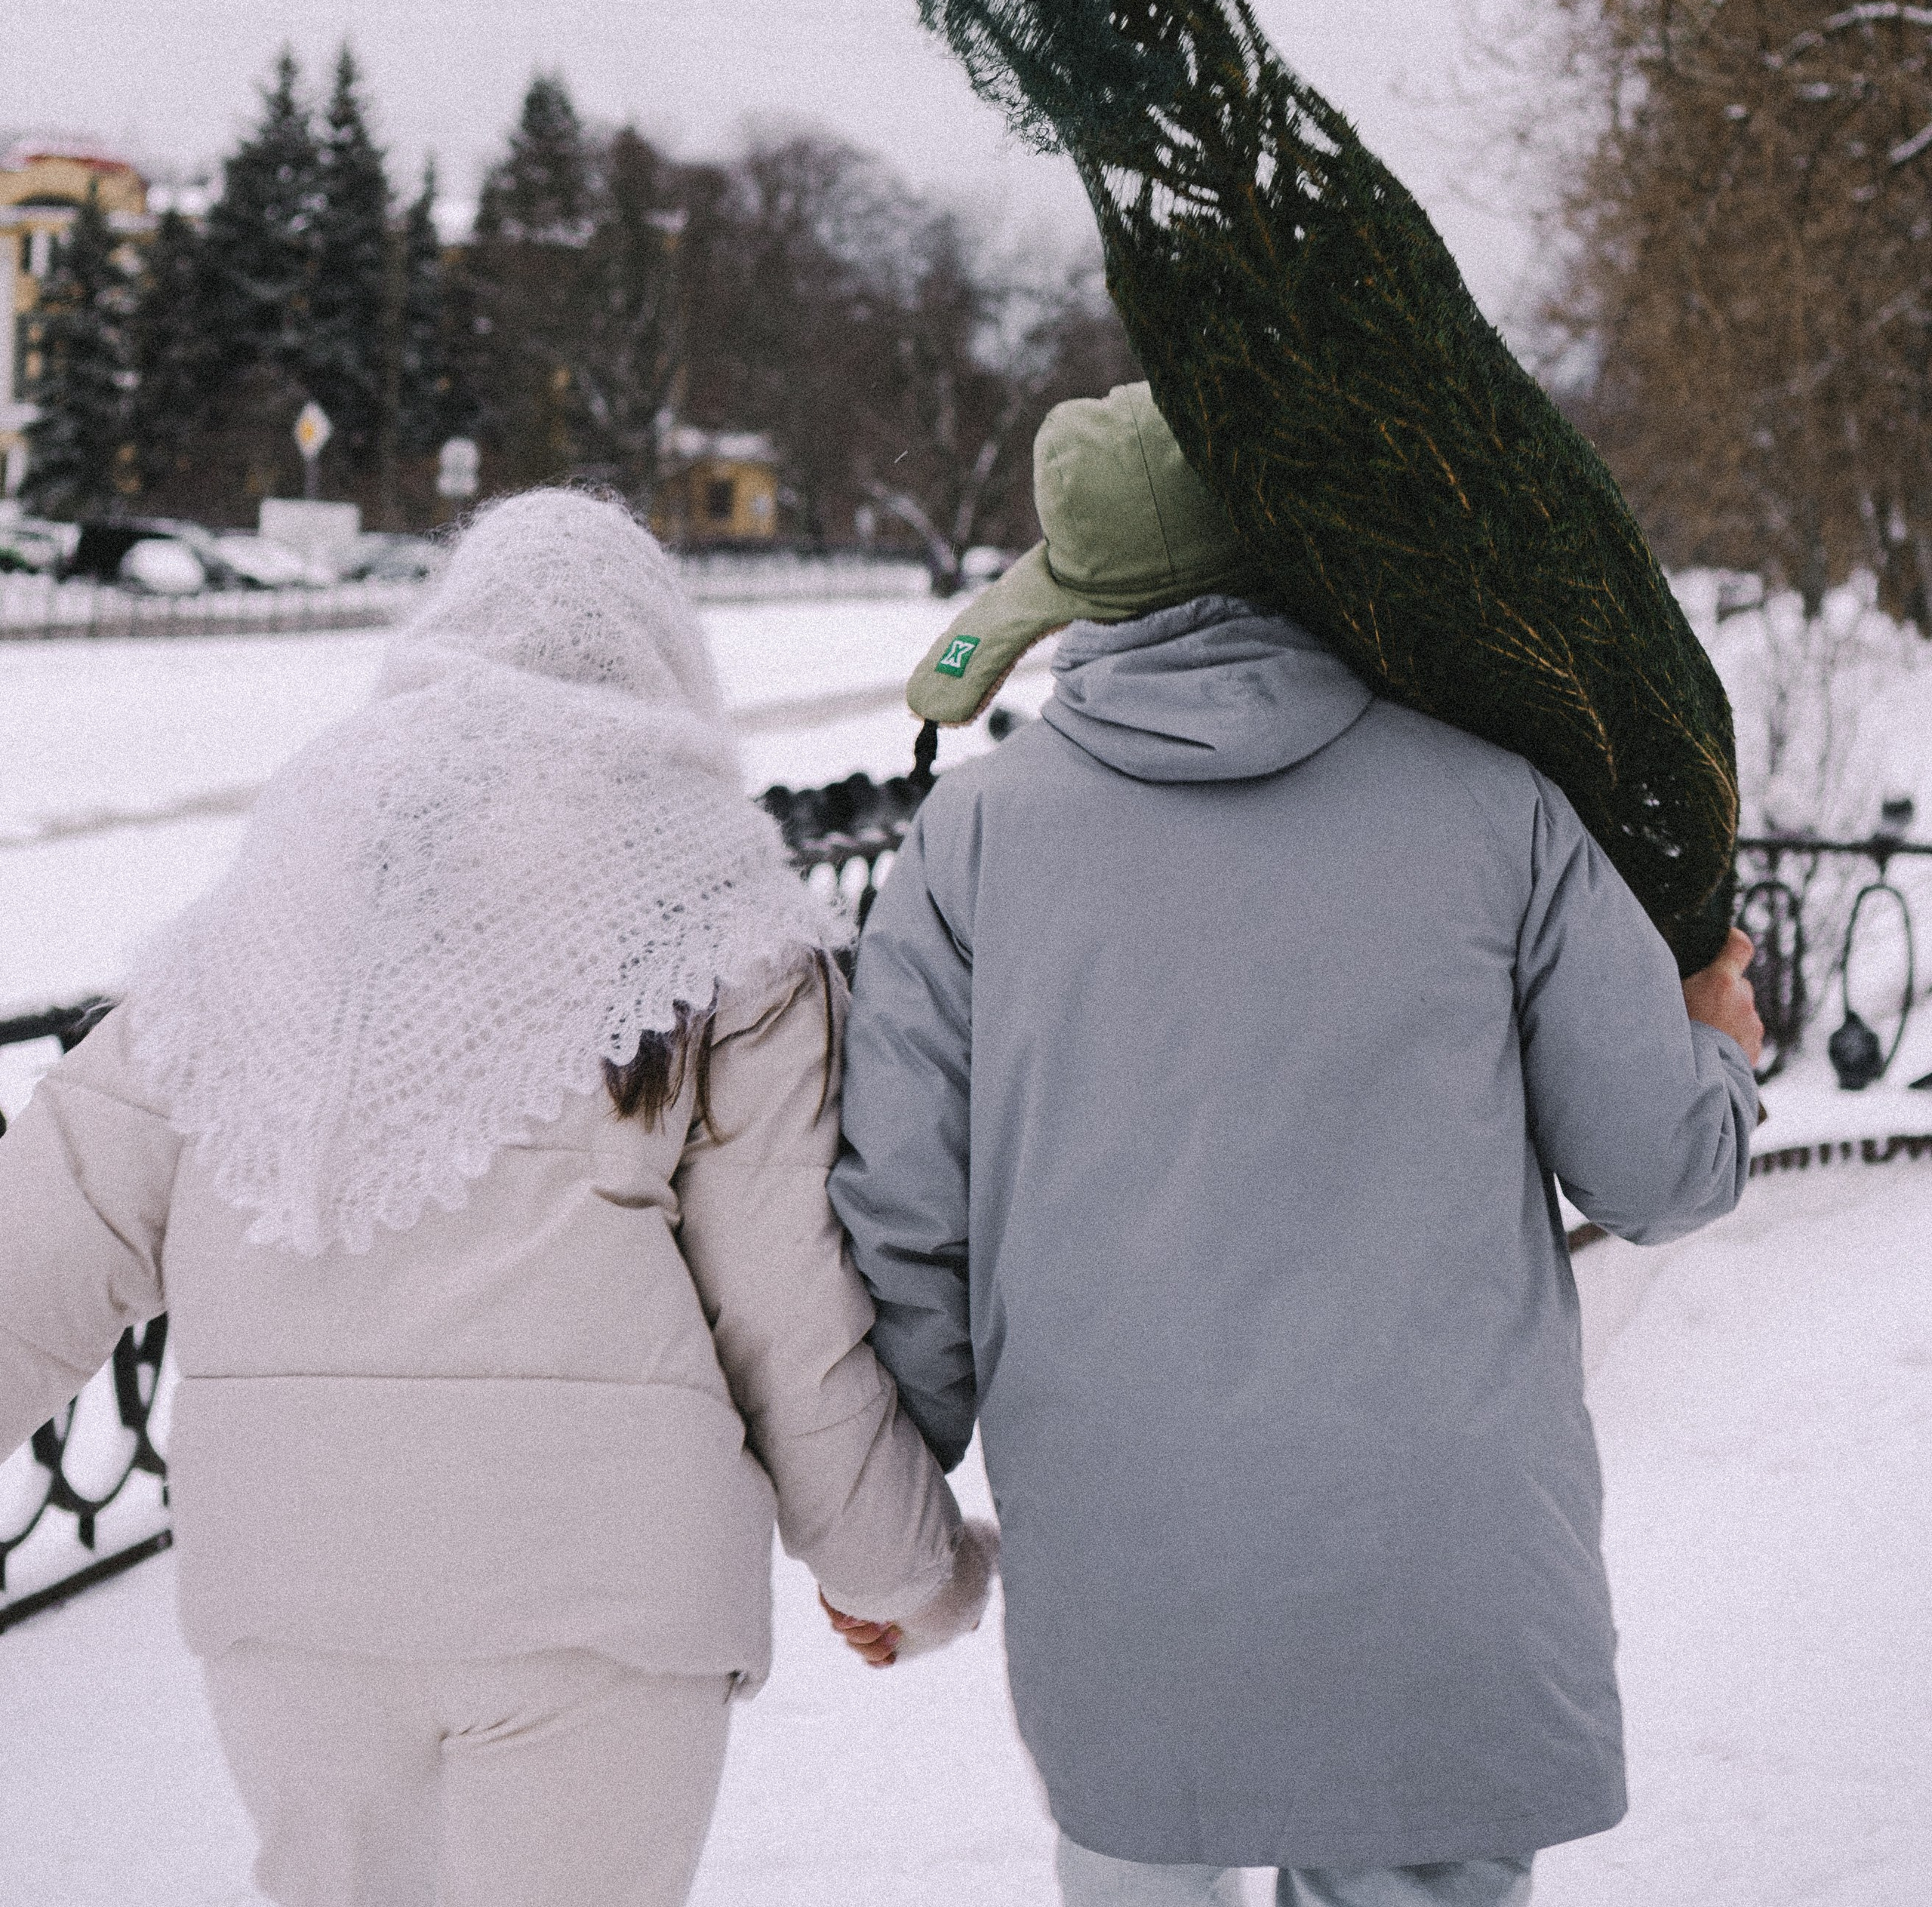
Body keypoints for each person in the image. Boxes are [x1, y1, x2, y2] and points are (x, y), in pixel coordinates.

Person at [828, 383, 1763, 1907]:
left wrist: (884, 1532)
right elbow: (1658, 1169)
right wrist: (1714, 1050)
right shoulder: (1497, 811)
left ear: (1071, 603)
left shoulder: (970, 846)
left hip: (1131, 1566)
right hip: (1441, 1560)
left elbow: (903, 1230)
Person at [0, 491, 989, 1907]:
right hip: (599, 1603)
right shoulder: (721, 936)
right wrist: (897, 1571)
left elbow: (42, 1237)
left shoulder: (264, 917)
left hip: (293, 1597)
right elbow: (790, 1319)